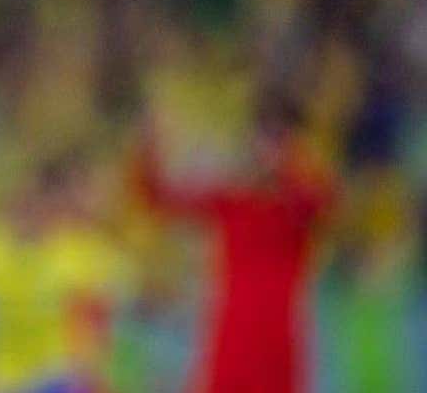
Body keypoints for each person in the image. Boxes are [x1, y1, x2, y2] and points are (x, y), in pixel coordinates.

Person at [132, 96, 335, 393]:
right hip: (232, 340)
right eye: (265, 136)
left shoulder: (300, 200)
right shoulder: (231, 199)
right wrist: (149, 147)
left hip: (278, 343)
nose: (271, 148)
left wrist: (289, 166)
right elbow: (159, 198)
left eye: (280, 138)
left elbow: (323, 203)